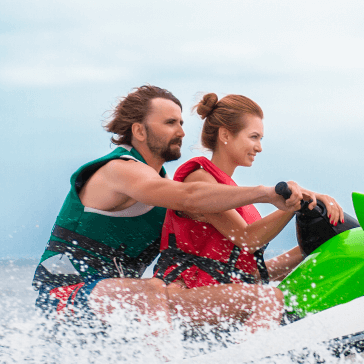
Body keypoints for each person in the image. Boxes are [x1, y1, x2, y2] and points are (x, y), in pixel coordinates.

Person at [33, 85, 321, 337]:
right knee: (151, 290)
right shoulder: (120, 170)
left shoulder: (162, 189)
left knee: (156, 291)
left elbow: (235, 257)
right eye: (170, 122)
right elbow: (190, 197)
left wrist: (310, 240)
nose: (182, 132)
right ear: (139, 131)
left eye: (182, 123)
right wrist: (266, 193)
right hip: (65, 293)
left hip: (121, 301)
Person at [155, 93, 344, 329]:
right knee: (269, 299)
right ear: (225, 135)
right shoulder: (199, 179)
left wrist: (311, 248)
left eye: (260, 138)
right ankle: (258, 355)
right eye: (253, 137)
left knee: (291, 305)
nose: (259, 147)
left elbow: (252, 274)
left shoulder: (236, 196)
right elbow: (248, 238)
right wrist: (294, 204)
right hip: (180, 297)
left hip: (214, 298)